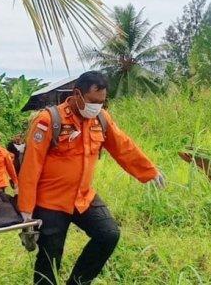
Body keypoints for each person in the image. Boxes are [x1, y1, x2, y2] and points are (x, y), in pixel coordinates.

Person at [18, 71, 165, 285]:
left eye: (102, 102)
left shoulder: (101, 119)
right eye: (93, 101)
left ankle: (77, 282)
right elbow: (31, 165)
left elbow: (123, 147)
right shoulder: (49, 120)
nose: (97, 106)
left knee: (108, 234)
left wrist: (149, 171)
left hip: (83, 198)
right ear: (77, 94)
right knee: (49, 259)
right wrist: (26, 209)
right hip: (51, 201)